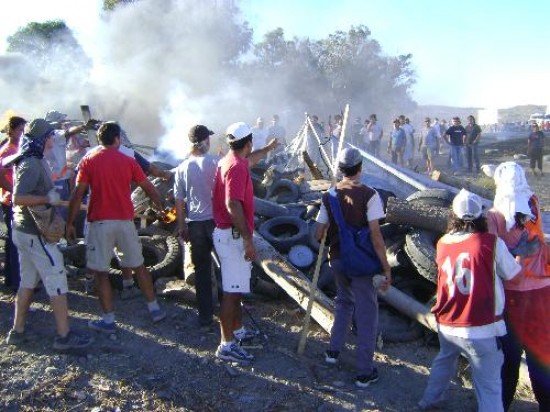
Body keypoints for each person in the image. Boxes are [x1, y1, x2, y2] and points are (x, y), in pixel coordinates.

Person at [419, 189, 521, 411]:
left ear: (453, 215)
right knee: (490, 386)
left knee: (444, 360)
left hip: (447, 321)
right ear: (480, 215)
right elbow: (512, 273)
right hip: (480, 326)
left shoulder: (443, 242)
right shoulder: (491, 243)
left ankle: (429, 401)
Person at [66, 122, 167, 334]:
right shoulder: (128, 160)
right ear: (117, 139)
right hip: (125, 222)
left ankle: (109, 320)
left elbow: (78, 193)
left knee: (101, 273)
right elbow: (149, 188)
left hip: (100, 223)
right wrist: (160, 208)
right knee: (139, 266)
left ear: (100, 139)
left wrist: (69, 222)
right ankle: (155, 309)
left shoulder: (89, 160)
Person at [4, 118, 92, 349]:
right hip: (36, 234)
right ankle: (64, 337)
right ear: (42, 139)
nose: (53, 139)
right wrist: (47, 199)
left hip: (25, 232)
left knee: (28, 281)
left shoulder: (34, 159)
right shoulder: (31, 164)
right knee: (57, 281)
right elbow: (18, 198)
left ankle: (18, 331)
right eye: (50, 136)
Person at [315, 147, 391, 388]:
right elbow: (377, 237)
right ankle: (364, 372)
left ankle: (333, 352)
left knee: (344, 303)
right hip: (363, 265)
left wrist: (332, 236)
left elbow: (318, 233)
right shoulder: (370, 195)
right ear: (360, 168)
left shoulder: (330, 196)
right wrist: (386, 267)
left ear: (340, 169)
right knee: (367, 315)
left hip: (337, 260)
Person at [485, 162, 550, 411]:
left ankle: (500, 404)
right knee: (540, 352)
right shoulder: (532, 203)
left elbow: (490, 254)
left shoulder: (494, 214)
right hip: (542, 290)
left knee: (509, 355)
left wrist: (514, 251)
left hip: (511, 294)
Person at [212, 121, 278, 363]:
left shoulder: (229, 160)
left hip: (228, 234)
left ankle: (237, 330)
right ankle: (226, 345)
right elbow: (232, 204)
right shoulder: (237, 167)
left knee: (237, 288)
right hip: (233, 237)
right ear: (248, 143)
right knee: (231, 292)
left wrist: (269, 148)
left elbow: (252, 160)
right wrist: (248, 239)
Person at [174, 124, 218, 330]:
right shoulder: (215, 162)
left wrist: (182, 225)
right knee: (225, 268)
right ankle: (230, 314)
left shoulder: (182, 167)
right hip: (216, 223)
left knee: (201, 271)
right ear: (205, 141)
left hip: (195, 225)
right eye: (208, 138)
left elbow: (179, 201)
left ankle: (205, 318)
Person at [0, 116, 26, 292]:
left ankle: (12, 277)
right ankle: (17, 280)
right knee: (16, 240)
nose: (22, 133)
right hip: (11, 201)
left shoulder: (18, 147)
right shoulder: (7, 151)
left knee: (12, 240)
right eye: (20, 130)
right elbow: (2, 178)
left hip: (14, 199)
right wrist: (14, 191)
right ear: (11, 131)